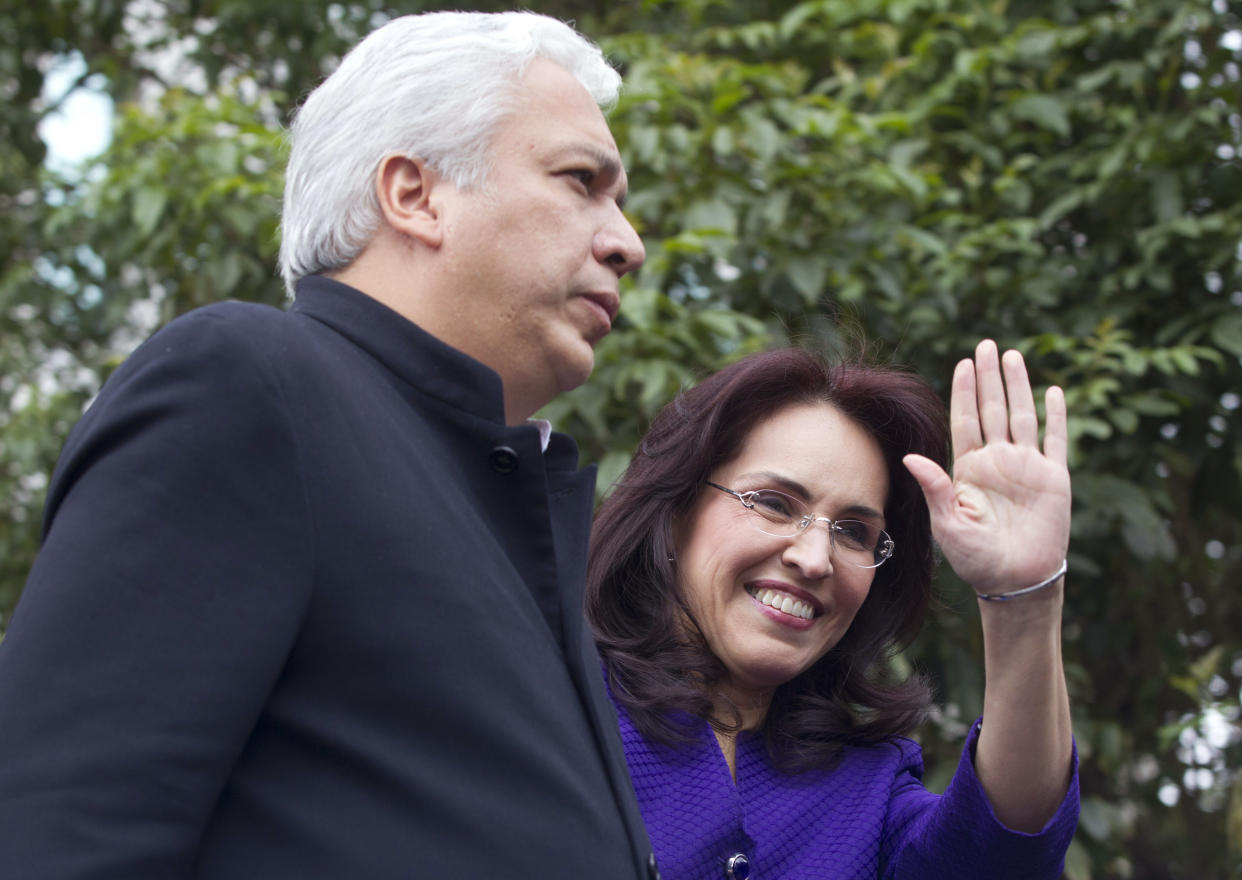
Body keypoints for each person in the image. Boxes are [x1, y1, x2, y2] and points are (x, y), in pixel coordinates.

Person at [0, 11, 660, 879]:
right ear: (415, 195)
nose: (629, 243)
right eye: (582, 181)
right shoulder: (251, 384)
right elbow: (60, 832)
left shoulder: (502, 494)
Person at [588, 342, 1079, 879]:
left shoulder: (868, 789)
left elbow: (1002, 854)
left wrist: (1026, 597)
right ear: (677, 507)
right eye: (774, 504)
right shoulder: (556, 703)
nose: (815, 559)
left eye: (854, 532)